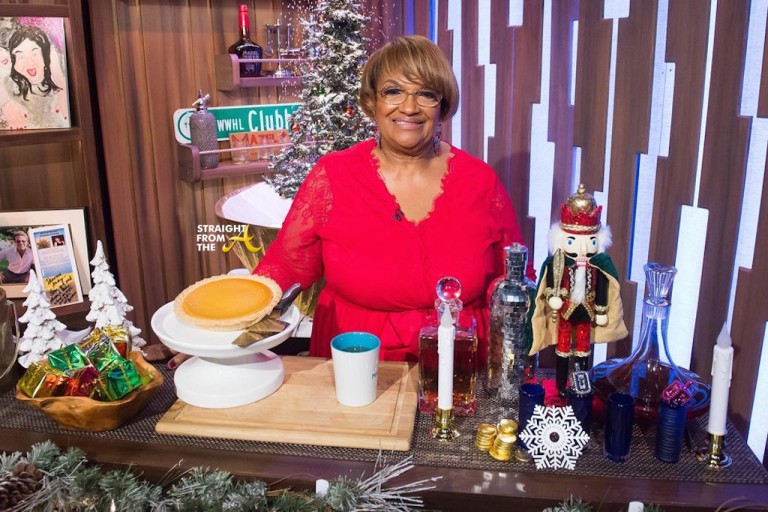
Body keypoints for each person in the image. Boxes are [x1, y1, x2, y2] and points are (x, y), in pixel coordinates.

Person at [167, 35, 534, 367]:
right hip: (357, 362)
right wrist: (217, 339)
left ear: (442, 104)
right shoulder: (333, 176)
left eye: (426, 93)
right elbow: (286, 267)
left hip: (461, 368)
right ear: (371, 102)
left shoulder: (480, 181)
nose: (409, 107)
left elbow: (515, 279)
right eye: (393, 91)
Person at [528, 184, 627, 396]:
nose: (582, 249)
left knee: (583, 348)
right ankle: (561, 386)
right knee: (563, 348)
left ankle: (581, 383)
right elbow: (551, 280)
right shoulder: (559, 262)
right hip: (566, 311)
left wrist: (601, 310)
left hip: (586, 312)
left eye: (590, 241)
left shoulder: (599, 265)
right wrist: (553, 297)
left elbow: (602, 287)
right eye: (573, 241)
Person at [7, 24, 68, 129]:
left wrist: (61, 86)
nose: (29, 63)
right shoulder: (8, 85)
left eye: (35, 54)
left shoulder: (63, 81)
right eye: (21, 56)